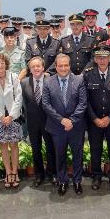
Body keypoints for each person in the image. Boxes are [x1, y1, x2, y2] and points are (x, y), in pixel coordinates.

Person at [42, 54, 87, 196]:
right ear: (56, 67)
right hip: (57, 126)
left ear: (70, 65)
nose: (63, 68)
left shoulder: (79, 80)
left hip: (76, 126)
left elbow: (82, 103)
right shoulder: (48, 82)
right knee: (59, 155)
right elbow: (46, 105)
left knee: (77, 155)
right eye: (60, 66)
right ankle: (62, 181)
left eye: (65, 65)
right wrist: (62, 120)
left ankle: (77, 181)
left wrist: (71, 121)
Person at [83, 46, 110, 191]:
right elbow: (85, 100)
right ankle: (96, 175)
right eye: (99, 57)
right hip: (94, 121)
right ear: (94, 59)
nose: (102, 60)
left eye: (104, 57)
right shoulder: (87, 74)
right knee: (96, 149)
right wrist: (94, 118)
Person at [0, 53, 23, 188]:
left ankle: (15, 172)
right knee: (3, 145)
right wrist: (1, 117)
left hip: (13, 116)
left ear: (6, 64)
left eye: (2, 62)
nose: (0, 65)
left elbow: (19, 97)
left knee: (14, 145)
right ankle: (8, 172)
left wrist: (11, 116)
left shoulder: (13, 77)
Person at [21, 56, 56, 187]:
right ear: (29, 69)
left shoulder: (51, 80)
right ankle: (39, 175)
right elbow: (24, 103)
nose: (36, 68)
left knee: (50, 148)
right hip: (33, 122)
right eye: (33, 66)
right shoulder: (24, 83)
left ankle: (52, 173)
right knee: (36, 149)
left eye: (38, 66)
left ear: (43, 67)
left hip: (49, 121)